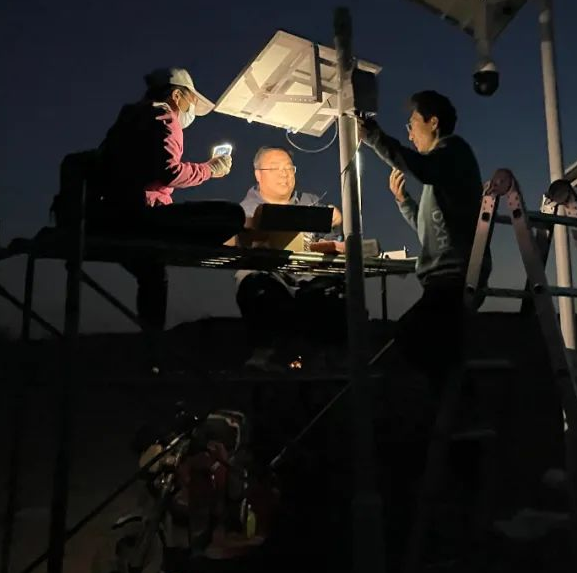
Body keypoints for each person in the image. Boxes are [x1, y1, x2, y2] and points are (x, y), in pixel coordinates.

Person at [89, 67, 244, 338]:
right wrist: (210, 169)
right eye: (191, 100)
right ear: (177, 95)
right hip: (140, 215)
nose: (192, 109)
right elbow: (168, 172)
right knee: (232, 215)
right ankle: (153, 342)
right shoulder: (164, 116)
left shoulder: (129, 119)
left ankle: (151, 342)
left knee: (151, 275)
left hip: (110, 213)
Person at [357, 90, 485, 390]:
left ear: (433, 122)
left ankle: (452, 403)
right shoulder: (439, 175)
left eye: (412, 123)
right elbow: (427, 229)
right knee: (437, 356)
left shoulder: (453, 152)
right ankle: (453, 403)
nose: (410, 133)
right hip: (441, 281)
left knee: (409, 340)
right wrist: (403, 201)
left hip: (455, 278)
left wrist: (373, 136)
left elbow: (420, 167)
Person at [233, 146, 345, 370]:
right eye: (275, 168)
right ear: (258, 174)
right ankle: (265, 356)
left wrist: (333, 222)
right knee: (256, 284)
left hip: (310, 279)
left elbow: (333, 238)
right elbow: (243, 239)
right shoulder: (244, 210)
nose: (284, 174)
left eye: (288, 168)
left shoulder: (310, 202)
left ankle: (329, 361)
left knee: (336, 291)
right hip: (271, 278)